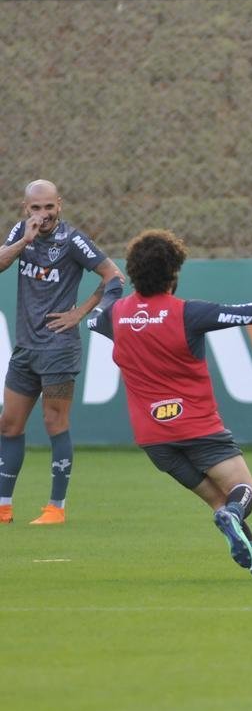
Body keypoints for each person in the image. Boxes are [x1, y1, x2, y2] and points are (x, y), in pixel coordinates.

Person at [86, 229, 252, 580]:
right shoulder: (188, 314)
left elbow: (96, 319)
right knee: (244, 493)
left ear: (134, 272)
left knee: (219, 501)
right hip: (198, 427)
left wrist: (112, 290)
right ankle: (241, 533)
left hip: (153, 438)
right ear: (173, 275)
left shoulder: (116, 315)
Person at [0, 180, 125, 526]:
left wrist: (80, 311)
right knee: (8, 425)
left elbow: (114, 275)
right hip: (25, 348)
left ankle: (56, 508)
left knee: (55, 423)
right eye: (35, 208)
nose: (43, 215)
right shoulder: (20, 233)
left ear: (60, 205)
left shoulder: (73, 240)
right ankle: (4, 507)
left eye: (48, 207)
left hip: (58, 347)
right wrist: (23, 240)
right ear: (25, 208)